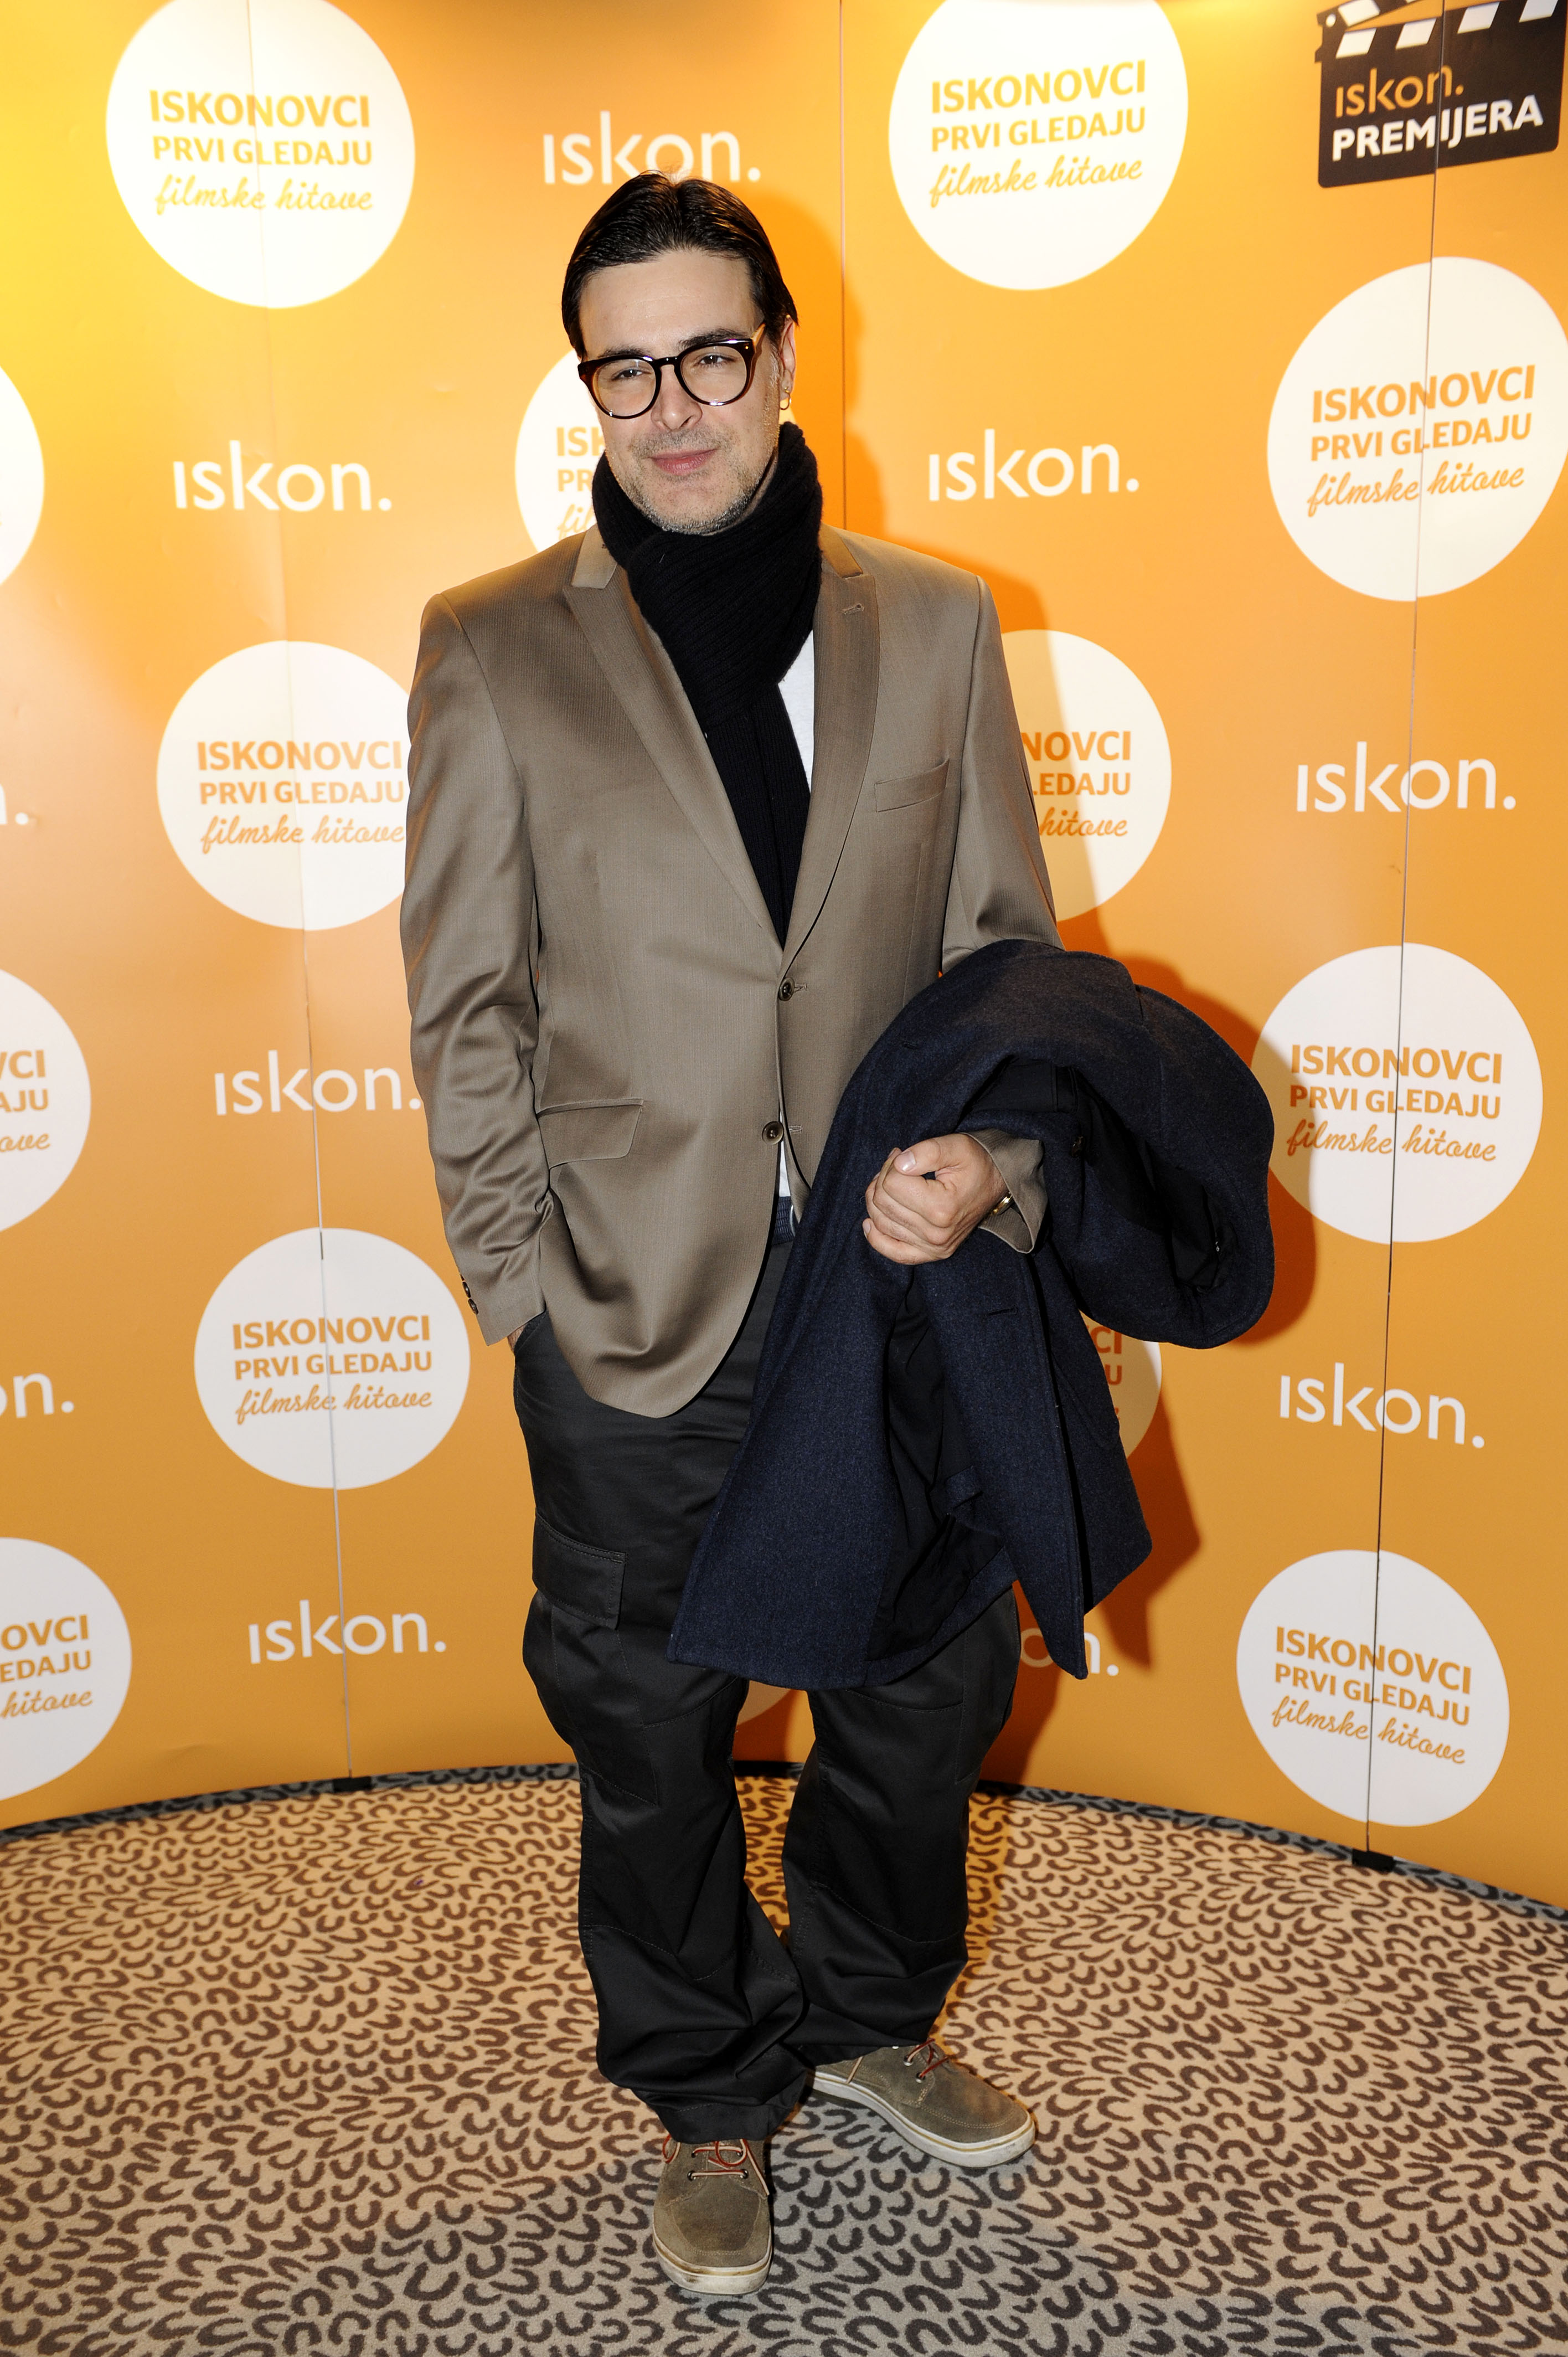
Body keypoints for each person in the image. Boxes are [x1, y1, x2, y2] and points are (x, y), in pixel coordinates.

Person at [401, 173, 1061, 2299]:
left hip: (898, 1282)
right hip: (630, 1298)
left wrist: (995, 1169)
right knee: (648, 1726)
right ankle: (705, 2086)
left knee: (928, 1686)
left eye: (711, 353)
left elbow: (1007, 959)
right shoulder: (493, 644)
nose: (673, 405)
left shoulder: (938, 623)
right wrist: (522, 1284)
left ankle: (862, 2013)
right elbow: (468, 1003)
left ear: (784, 354)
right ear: (585, 389)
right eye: (625, 369)